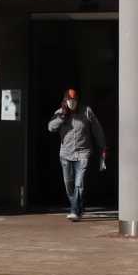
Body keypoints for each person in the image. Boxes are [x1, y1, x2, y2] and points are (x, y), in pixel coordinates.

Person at [46, 88, 108, 221]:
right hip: (66, 154)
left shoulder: (87, 111)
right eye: (70, 100)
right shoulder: (59, 112)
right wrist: (62, 117)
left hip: (83, 153)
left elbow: (97, 129)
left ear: (78, 100)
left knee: (79, 184)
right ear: (65, 100)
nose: (72, 102)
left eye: (74, 100)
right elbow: (50, 127)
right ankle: (78, 207)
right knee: (69, 184)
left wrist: (102, 147)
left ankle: (74, 211)